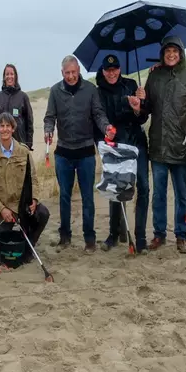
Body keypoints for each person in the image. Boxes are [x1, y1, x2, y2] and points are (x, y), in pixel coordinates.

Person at [43, 55, 114, 253]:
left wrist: (106, 126)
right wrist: (48, 129)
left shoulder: (90, 90)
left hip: (85, 153)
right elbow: (50, 117)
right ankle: (65, 237)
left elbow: (98, 114)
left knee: (87, 197)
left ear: (79, 71)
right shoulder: (55, 91)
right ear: (62, 73)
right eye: (67, 73)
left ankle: (89, 239)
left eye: (74, 72)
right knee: (64, 196)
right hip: (63, 153)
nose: (71, 76)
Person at [139, 36, 186, 254]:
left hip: (182, 147)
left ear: (181, 53)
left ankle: (182, 236)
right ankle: (159, 234)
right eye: (167, 51)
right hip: (158, 146)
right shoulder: (154, 76)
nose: (171, 54)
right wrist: (139, 103)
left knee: (182, 195)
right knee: (159, 194)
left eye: (175, 51)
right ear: (162, 55)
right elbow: (146, 111)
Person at [92, 55, 150, 254]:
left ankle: (140, 237)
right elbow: (98, 116)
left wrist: (139, 106)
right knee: (116, 188)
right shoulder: (98, 92)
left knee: (143, 186)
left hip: (137, 144)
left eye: (115, 69)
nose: (112, 73)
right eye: (108, 70)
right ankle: (114, 234)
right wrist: (105, 132)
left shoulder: (131, 84)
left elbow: (143, 117)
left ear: (119, 69)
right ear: (102, 71)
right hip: (115, 146)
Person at [0, 112, 50, 262]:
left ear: (13, 128)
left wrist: (34, 199)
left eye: (8, 126)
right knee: (1, 255)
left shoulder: (24, 152)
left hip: (22, 206)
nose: (5, 129)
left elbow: (33, 179)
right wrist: (2, 209)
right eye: (1, 126)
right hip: (3, 210)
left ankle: (28, 246)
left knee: (43, 213)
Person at [0, 64, 34, 149]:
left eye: (12, 74)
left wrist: (29, 144)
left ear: (16, 76)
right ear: (4, 77)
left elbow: (29, 122)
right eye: (7, 74)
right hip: (1, 145)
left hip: (20, 143)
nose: (9, 76)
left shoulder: (23, 97)